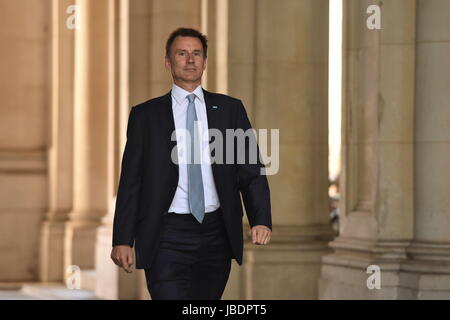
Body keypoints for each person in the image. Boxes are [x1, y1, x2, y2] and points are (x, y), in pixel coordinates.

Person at [110, 27, 272, 300]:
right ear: (168, 61)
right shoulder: (145, 115)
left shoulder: (230, 110)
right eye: (182, 53)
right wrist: (122, 239)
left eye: (197, 53)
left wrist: (261, 219)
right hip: (166, 235)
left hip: (216, 233)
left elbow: (250, 169)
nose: (190, 60)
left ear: (205, 61)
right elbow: (131, 181)